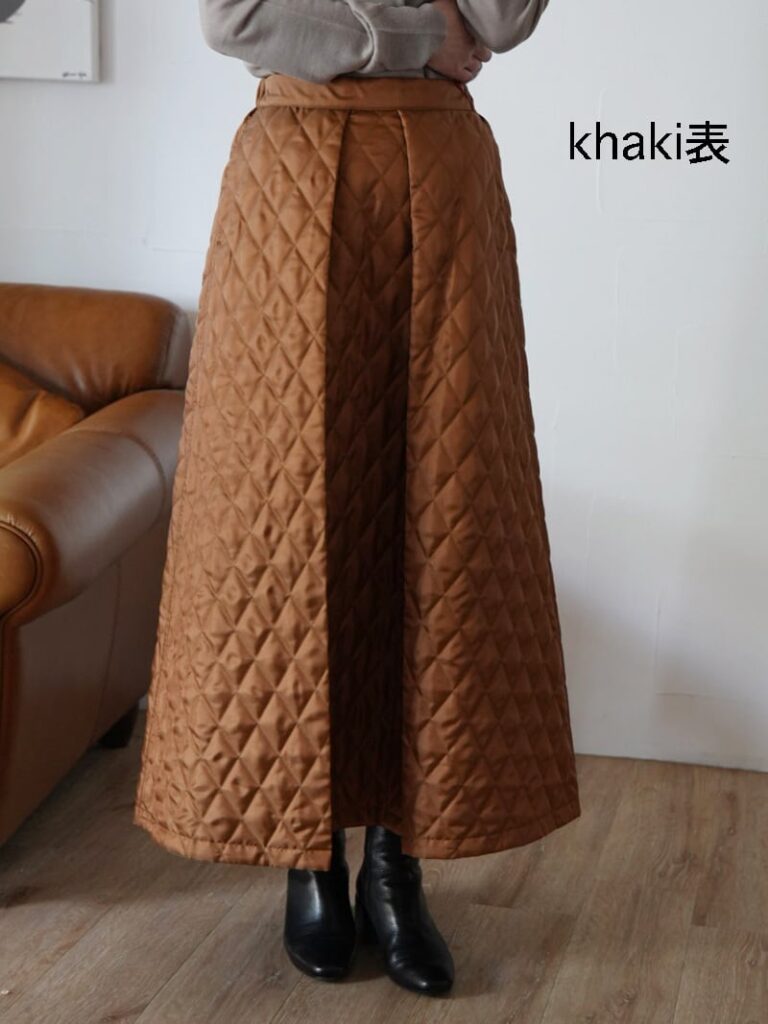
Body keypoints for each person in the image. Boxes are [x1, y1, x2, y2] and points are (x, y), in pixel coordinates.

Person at [133, 0, 581, 998]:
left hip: (445, 178)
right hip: (296, 170)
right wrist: (420, 34)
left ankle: (394, 864)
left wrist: (395, 27)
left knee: (439, 515)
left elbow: (501, 21)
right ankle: (310, 858)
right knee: (290, 516)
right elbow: (240, 19)